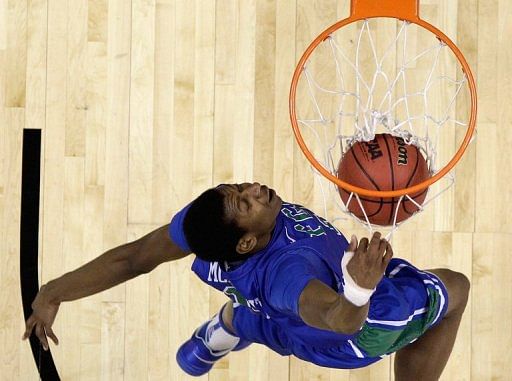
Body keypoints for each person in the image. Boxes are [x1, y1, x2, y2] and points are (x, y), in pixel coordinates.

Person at [23, 182, 469, 380]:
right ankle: (230, 327)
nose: (254, 189)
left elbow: (133, 258)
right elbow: (341, 320)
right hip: (351, 329)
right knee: (457, 288)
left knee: (256, 316)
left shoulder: (203, 229)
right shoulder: (288, 273)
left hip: (277, 312)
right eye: (244, 202)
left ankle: (224, 331)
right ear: (246, 242)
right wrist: (360, 287)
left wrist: (52, 292)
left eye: (238, 187)